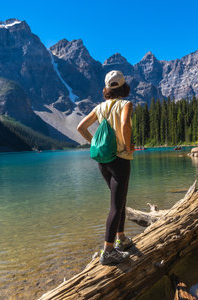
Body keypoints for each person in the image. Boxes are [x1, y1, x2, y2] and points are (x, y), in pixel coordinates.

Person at [77, 70, 135, 265]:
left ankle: (121, 239)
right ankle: (108, 251)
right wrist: (127, 146)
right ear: (123, 86)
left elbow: (80, 128)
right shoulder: (125, 104)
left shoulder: (99, 108)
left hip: (103, 161)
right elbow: (125, 123)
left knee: (120, 199)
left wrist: (94, 142)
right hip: (120, 159)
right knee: (116, 206)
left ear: (107, 88)